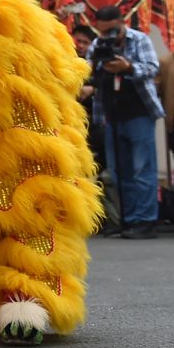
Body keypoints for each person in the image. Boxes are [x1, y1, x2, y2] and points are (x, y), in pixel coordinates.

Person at [87, 6, 162, 240]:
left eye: (112, 30)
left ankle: (145, 220)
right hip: (111, 115)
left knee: (142, 169)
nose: (108, 36)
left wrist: (128, 67)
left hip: (139, 112)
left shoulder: (139, 40)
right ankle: (127, 219)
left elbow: (152, 69)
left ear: (122, 21)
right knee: (120, 172)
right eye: (103, 31)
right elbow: (89, 71)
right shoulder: (97, 45)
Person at [71, 22, 118, 236]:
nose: (79, 45)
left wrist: (93, 87)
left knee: (102, 173)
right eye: (76, 41)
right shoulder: (64, 64)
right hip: (72, 128)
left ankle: (104, 217)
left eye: (84, 42)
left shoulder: (100, 65)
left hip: (97, 127)